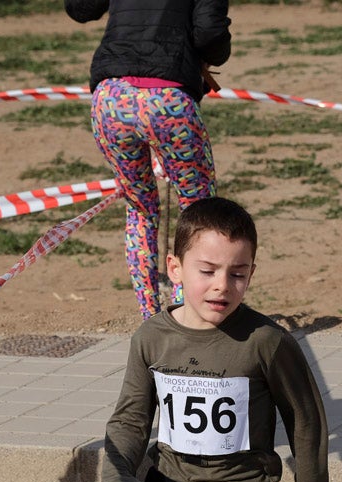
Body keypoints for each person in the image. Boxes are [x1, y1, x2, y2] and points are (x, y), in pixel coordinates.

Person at [102, 197, 333, 482]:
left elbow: (305, 416)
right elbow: (129, 418)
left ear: (251, 272)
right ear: (175, 267)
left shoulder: (266, 342)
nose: (221, 286)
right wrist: (116, 481)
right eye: (207, 270)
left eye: (238, 273)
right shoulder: (152, 338)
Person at [65, 0, 231, 320]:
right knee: (198, 210)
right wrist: (211, 53)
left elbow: (80, 8)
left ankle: (150, 319)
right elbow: (209, 33)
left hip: (112, 99)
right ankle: (187, 314)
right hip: (169, 99)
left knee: (140, 208)